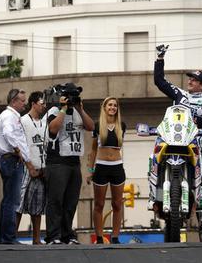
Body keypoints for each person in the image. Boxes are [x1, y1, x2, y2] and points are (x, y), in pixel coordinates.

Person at [152, 44, 202, 242]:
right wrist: (160, 59)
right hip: (171, 142)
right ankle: (153, 194)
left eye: (194, 80)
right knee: (154, 157)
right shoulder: (180, 95)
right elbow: (160, 81)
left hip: (194, 146)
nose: (190, 81)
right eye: (189, 78)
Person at [45, 82, 94, 245]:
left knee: (71, 202)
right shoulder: (54, 110)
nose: (72, 99)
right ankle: (53, 235)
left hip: (74, 162)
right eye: (70, 96)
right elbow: (53, 129)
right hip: (57, 162)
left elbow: (90, 126)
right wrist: (64, 108)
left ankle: (67, 234)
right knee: (56, 200)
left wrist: (80, 108)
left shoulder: (79, 112)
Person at [0, 88, 39, 244]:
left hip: (11, 160)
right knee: (12, 200)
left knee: (9, 199)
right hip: (11, 159)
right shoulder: (9, 116)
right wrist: (18, 151)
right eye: (22, 101)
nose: (24, 104)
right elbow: (9, 134)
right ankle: (8, 237)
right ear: (14, 101)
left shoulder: (11, 116)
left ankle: (6, 236)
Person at [87, 97, 126, 245]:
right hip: (101, 167)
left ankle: (115, 237)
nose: (112, 107)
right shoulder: (97, 126)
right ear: (104, 107)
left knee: (117, 204)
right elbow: (93, 150)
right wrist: (90, 170)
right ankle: (99, 237)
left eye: (115, 105)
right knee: (99, 204)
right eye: (110, 105)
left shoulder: (122, 126)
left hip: (117, 167)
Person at [16, 91, 46, 245]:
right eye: (41, 103)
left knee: (38, 204)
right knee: (19, 202)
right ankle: (12, 236)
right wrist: (27, 164)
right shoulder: (22, 121)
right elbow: (17, 143)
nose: (44, 106)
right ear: (33, 103)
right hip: (26, 167)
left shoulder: (44, 122)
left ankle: (36, 238)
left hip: (41, 167)